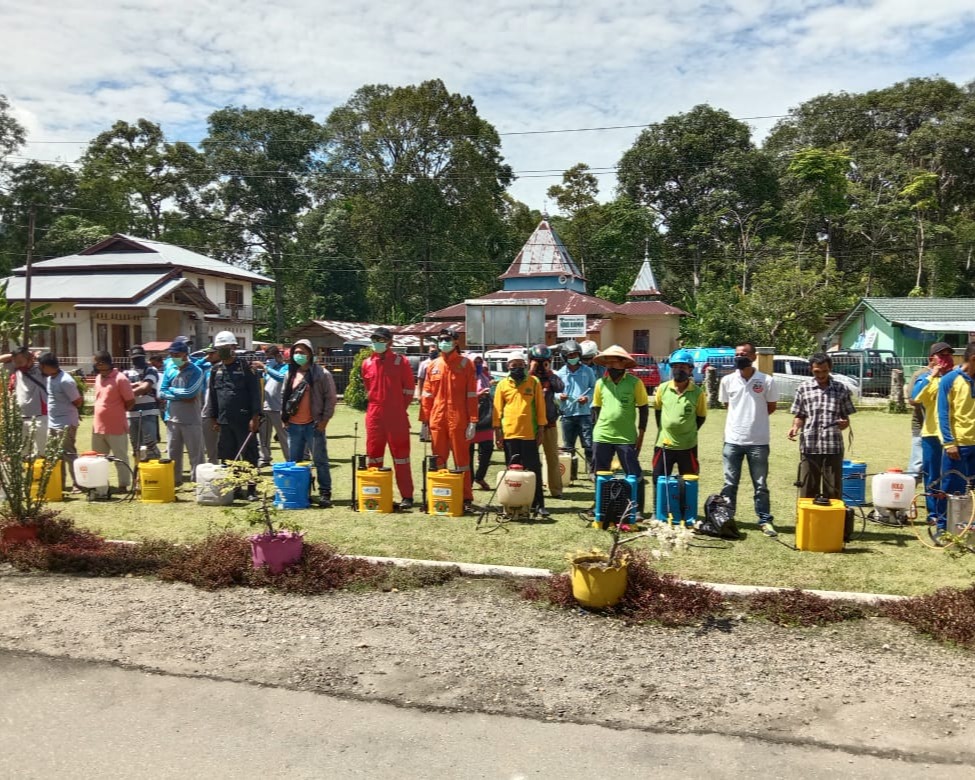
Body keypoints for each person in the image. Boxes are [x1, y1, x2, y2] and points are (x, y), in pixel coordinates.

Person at [719, 341, 779, 537]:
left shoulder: (767, 380)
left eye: (744, 354)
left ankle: (765, 520)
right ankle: (727, 518)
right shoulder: (727, 381)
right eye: (736, 354)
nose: (739, 357)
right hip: (733, 440)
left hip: (758, 442)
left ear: (753, 357)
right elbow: (729, 406)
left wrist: (754, 421)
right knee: (729, 483)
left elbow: (770, 407)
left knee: (760, 484)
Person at [420, 328, 478, 511]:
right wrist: (424, 421)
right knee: (438, 459)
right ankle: (440, 493)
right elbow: (427, 395)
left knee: (462, 461)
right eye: (440, 339)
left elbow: (471, 395)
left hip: (459, 419)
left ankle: (466, 498)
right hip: (437, 419)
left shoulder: (465, 364)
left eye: (446, 339)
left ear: (455, 342)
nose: (443, 343)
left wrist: (473, 421)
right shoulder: (433, 365)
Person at [787, 352, 856, 499]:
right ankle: (808, 521)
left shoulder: (841, 389)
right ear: (811, 369)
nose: (821, 375)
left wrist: (844, 423)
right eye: (817, 371)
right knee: (807, 490)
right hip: (809, 447)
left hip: (833, 447)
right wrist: (795, 427)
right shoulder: (803, 388)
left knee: (833, 491)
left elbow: (846, 419)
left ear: (830, 368)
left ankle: (832, 522)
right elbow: (799, 415)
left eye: (825, 371)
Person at [361, 327, 416, 509]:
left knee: (401, 457)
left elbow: (409, 389)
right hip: (374, 415)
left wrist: (399, 408)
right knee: (374, 456)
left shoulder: (401, 362)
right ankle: (376, 493)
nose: (377, 342)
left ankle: (407, 496)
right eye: (375, 339)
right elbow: (368, 387)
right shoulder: (367, 363)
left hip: (396, 416)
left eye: (381, 339)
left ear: (390, 342)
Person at [592, 345, 650, 515]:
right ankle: (600, 506)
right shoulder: (600, 383)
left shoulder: (635, 383)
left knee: (634, 474)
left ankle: (636, 510)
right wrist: (596, 429)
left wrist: (641, 433)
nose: (610, 366)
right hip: (602, 435)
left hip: (626, 436)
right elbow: (596, 408)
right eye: (607, 363)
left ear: (624, 363)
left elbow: (644, 408)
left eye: (614, 362)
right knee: (600, 474)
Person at [204, 331, 262, 499]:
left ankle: (251, 489)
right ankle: (235, 487)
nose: (222, 351)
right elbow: (213, 396)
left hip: (245, 419)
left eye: (225, 347)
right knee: (229, 456)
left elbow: (255, 394)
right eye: (219, 348)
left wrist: (255, 417)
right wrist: (213, 418)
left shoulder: (246, 368)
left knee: (249, 455)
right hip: (224, 420)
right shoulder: (216, 370)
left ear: (234, 348)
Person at [281, 338, 337, 508]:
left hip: (314, 424)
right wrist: (285, 418)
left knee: (320, 460)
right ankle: (300, 493)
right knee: (295, 461)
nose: (299, 355)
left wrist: (324, 420)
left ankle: (324, 492)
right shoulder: (290, 374)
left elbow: (330, 398)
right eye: (296, 352)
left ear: (310, 354)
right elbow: (284, 397)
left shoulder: (322, 374)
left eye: (302, 352)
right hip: (294, 425)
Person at [492, 350, 548, 517]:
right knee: (512, 472)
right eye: (513, 365)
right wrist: (497, 432)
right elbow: (497, 411)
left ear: (525, 365)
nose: (516, 367)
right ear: (508, 366)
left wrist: (541, 429)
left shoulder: (534, 382)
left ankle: (538, 504)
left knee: (533, 470)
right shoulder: (502, 385)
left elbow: (540, 407)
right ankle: (513, 503)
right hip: (509, 434)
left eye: (519, 364)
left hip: (529, 434)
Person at [652, 349, 706, 504]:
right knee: (659, 479)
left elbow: (701, 417)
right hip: (664, 444)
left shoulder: (697, 392)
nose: (679, 370)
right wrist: (668, 430)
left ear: (690, 370)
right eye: (675, 366)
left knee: (688, 480)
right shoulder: (662, 389)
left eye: (683, 367)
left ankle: (685, 511)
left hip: (687, 446)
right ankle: (658, 512)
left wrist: (686, 431)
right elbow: (658, 413)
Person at [912, 342, 953, 528]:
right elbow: (915, 397)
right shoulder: (927, 379)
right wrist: (932, 376)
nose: (946, 358)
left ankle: (950, 512)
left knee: (951, 476)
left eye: (948, 355)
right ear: (932, 359)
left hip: (954, 436)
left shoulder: (957, 377)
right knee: (933, 476)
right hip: (932, 435)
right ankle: (933, 513)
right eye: (941, 355)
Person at [937, 342, 975, 541]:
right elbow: (943, 414)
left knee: (973, 492)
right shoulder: (950, 380)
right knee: (951, 489)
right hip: (957, 446)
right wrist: (949, 442)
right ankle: (943, 528)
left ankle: (969, 530)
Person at [158, 339, 205, 487]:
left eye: (176, 354)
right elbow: (162, 391)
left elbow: (191, 393)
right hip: (172, 419)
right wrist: (177, 394)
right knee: (173, 454)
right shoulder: (170, 369)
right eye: (171, 354)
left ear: (185, 354)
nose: (173, 357)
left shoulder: (196, 371)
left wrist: (173, 392)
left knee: (196, 455)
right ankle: (174, 481)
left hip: (191, 419)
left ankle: (198, 482)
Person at [38, 352, 84, 493]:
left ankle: (78, 484)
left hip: (65, 423)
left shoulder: (66, 381)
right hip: (53, 423)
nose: (39, 369)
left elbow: (78, 401)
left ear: (46, 366)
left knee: (69, 454)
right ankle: (60, 483)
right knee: (56, 455)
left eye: (40, 366)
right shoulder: (51, 378)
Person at [91, 351, 135, 492]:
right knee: (98, 460)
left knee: (120, 457)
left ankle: (123, 485)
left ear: (105, 363)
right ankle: (101, 485)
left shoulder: (120, 379)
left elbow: (130, 401)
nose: (96, 365)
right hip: (98, 427)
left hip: (116, 427)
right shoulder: (98, 378)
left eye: (98, 362)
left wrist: (115, 411)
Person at [529, 344, 565, 499]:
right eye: (537, 361)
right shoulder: (527, 377)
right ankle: (531, 489)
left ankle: (556, 490)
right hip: (530, 424)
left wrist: (548, 371)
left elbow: (560, 387)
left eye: (543, 362)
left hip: (549, 423)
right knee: (530, 459)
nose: (540, 365)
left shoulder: (552, 376)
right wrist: (531, 370)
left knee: (552, 458)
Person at [556, 339, 597, 474]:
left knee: (588, 445)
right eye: (570, 355)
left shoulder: (588, 371)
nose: (573, 358)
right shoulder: (560, 374)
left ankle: (591, 472)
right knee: (568, 447)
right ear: (564, 357)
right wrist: (559, 396)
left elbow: (593, 388)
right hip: (567, 415)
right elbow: (554, 392)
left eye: (575, 355)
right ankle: (571, 473)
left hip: (584, 414)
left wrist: (587, 398)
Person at [1, 347, 49, 456]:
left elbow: (50, 359)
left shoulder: (40, 369)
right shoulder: (15, 369)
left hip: (40, 416)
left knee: (42, 453)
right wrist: (13, 355)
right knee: (23, 454)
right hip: (20, 417)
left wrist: (34, 355)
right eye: (15, 362)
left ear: (30, 359)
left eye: (20, 362)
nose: (18, 364)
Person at [123, 345, 161, 462]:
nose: (137, 360)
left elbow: (145, 387)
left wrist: (131, 389)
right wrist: (138, 385)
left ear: (144, 357)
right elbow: (121, 390)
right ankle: (139, 474)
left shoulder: (151, 370)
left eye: (139, 358)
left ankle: (153, 471)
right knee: (136, 448)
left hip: (148, 413)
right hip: (131, 415)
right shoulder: (126, 373)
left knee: (150, 446)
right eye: (134, 358)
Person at [257, 344, 290, 466]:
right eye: (266, 358)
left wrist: (266, 368)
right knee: (263, 436)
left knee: (283, 436)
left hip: (278, 407)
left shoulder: (285, 368)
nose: (268, 360)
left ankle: (289, 458)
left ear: (278, 356)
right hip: (265, 406)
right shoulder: (268, 369)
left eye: (270, 357)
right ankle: (265, 458)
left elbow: (281, 378)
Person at [468, 353, 495, 491]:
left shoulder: (484, 377)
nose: (477, 365)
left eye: (480, 362)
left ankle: (480, 476)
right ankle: (469, 480)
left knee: (487, 450)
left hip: (485, 418)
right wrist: (478, 395)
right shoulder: (464, 377)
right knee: (468, 454)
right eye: (475, 362)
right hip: (469, 420)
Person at [195, 346, 221, 465]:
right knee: (210, 446)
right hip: (207, 409)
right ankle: (213, 467)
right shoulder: (207, 368)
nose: (208, 356)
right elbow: (194, 366)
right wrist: (205, 358)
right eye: (207, 354)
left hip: (222, 410)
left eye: (212, 354)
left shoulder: (223, 368)